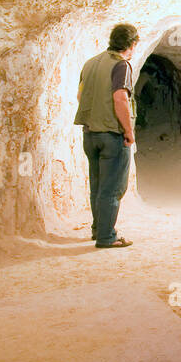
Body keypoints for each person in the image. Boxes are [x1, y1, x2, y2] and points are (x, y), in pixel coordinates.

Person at [75, 24, 138, 248]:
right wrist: (128, 131)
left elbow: (80, 95)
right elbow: (120, 98)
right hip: (112, 134)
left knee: (98, 186)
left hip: (90, 134)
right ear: (131, 45)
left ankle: (97, 229)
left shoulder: (90, 64)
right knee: (112, 188)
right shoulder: (121, 65)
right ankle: (106, 237)